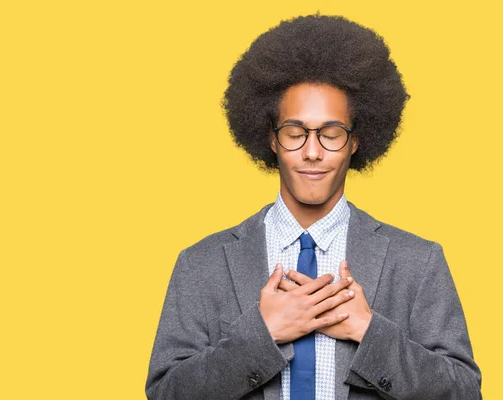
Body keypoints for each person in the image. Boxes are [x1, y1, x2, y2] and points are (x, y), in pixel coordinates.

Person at [145, 14, 481, 400]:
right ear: (271, 140)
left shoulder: (418, 263)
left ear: (357, 141)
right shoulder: (201, 264)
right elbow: (165, 393)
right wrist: (261, 334)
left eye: (331, 134)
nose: (312, 152)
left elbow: (465, 392)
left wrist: (369, 332)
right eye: (295, 133)